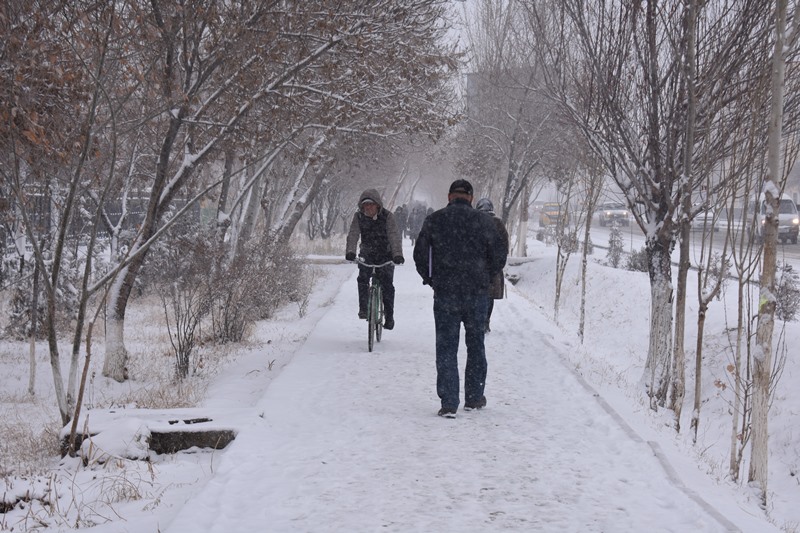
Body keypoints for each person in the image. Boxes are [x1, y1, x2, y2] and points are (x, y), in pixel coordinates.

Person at [413, 179, 508, 418]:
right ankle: (474, 398)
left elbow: (420, 255)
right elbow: (499, 256)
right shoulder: (485, 222)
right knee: (476, 344)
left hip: (446, 293)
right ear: (471, 198)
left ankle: (449, 402)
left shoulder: (435, 220)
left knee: (446, 347)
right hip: (476, 294)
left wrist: (432, 279)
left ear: (449, 196)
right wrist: (485, 277)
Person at [345, 189, 404, 330]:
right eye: (365, 205)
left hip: (385, 254)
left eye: (371, 205)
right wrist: (350, 252)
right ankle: (364, 308)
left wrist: (397, 254)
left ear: (378, 205)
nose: (368, 208)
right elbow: (353, 234)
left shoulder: (387, 216)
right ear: (362, 206)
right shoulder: (358, 217)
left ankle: (389, 316)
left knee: (387, 285)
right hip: (367, 253)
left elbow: (394, 236)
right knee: (362, 279)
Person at [475, 198, 509, 333]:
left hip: (476, 267)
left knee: (477, 295)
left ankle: (478, 320)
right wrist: (498, 264)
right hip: (493, 267)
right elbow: (505, 247)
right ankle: (486, 321)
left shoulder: (474, 222)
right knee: (489, 296)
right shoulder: (498, 224)